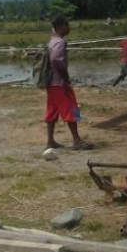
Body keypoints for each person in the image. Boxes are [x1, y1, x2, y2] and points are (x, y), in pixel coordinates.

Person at [45, 16, 94, 151]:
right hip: (60, 83)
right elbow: (56, 59)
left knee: (52, 111)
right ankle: (77, 141)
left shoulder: (52, 40)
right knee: (72, 109)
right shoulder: (59, 42)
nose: (69, 28)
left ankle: (50, 141)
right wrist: (65, 75)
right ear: (61, 27)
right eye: (67, 25)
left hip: (51, 83)